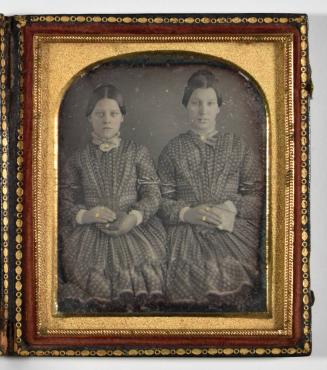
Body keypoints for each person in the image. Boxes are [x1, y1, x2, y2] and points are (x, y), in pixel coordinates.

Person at [158, 70, 264, 310]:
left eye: (209, 103)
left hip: (230, 228)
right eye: (196, 103)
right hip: (185, 233)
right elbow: (160, 202)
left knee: (236, 269)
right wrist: (187, 213)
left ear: (219, 108)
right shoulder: (172, 150)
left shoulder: (237, 146)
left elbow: (259, 197)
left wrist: (231, 207)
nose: (203, 111)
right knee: (190, 274)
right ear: (186, 106)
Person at [59, 84, 166, 311]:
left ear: (122, 118)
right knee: (97, 285)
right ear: (89, 118)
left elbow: (153, 194)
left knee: (143, 279)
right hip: (90, 235)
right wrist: (86, 215)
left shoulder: (137, 152)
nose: (106, 119)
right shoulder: (78, 159)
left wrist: (133, 217)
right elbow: (64, 201)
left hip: (135, 230)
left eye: (113, 113)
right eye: (99, 114)